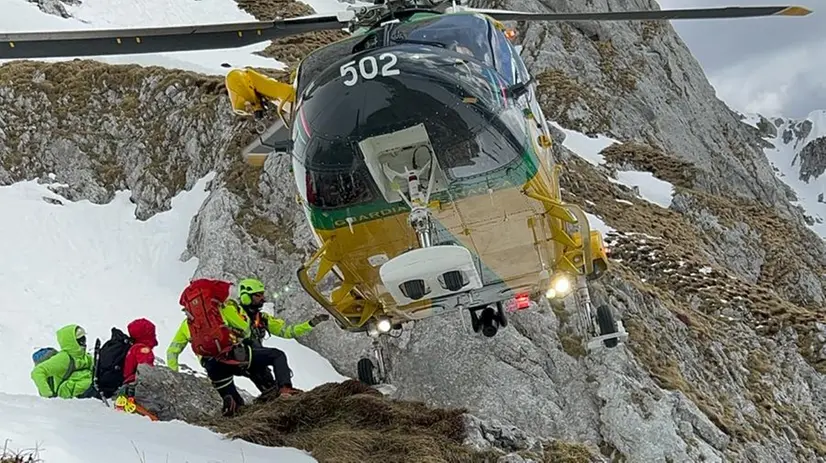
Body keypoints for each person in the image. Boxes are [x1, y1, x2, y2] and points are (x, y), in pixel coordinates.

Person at [165, 277, 329, 416]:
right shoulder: (232, 310)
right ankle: (285, 390)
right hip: (238, 358)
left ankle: (230, 421)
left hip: (213, 367)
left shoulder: (190, 324)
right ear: (244, 296)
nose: (262, 299)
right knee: (276, 356)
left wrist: (175, 376)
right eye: (258, 296)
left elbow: (172, 351)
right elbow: (248, 328)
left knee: (235, 406)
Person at [31, 324, 99, 399]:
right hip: (73, 398)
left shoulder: (86, 357)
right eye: (80, 340)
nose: (84, 343)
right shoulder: (64, 358)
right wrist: (47, 395)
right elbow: (37, 372)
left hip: (87, 392)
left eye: (84, 339)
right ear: (72, 341)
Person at [122, 318, 158, 385]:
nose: (154, 335)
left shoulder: (134, 347)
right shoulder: (143, 350)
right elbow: (146, 373)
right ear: (146, 335)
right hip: (135, 387)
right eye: (152, 333)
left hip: (127, 384)